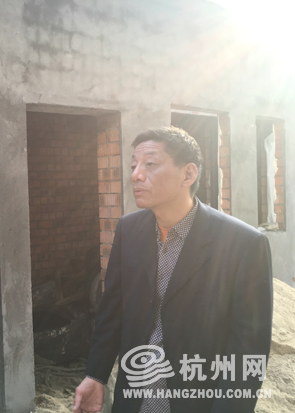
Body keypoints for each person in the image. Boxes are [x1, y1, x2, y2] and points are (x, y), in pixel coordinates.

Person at [74, 127, 273, 413]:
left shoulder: (242, 244)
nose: (136, 175)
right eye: (134, 165)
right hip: (134, 398)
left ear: (188, 174)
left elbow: (248, 346)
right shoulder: (129, 230)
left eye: (150, 164)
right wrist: (96, 375)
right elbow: (112, 310)